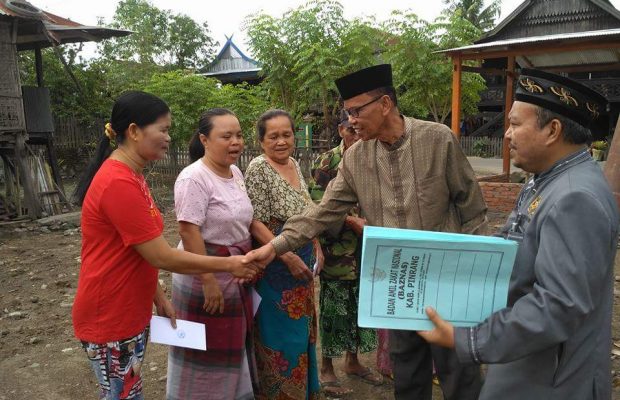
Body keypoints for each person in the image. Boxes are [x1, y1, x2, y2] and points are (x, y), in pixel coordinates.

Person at [245, 64, 486, 400]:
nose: (351, 120)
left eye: (357, 111)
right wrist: (273, 248)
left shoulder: (437, 139)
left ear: (385, 104)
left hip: (447, 278)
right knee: (408, 373)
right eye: (348, 112)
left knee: (459, 371)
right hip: (399, 283)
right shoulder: (356, 158)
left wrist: (481, 276)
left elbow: (472, 207)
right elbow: (322, 211)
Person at [418, 69, 619, 399]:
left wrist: (466, 339)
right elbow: (513, 242)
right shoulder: (546, 180)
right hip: (526, 361)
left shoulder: (575, 197)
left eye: (515, 123)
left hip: (552, 379)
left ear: (552, 130)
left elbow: (558, 305)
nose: (507, 134)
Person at [72, 92, 259, 400]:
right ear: (134, 131)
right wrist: (229, 265)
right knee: (122, 395)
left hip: (130, 308)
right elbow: (161, 255)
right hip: (110, 315)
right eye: (163, 129)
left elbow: (138, 249)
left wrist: (157, 296)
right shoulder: (118, 182)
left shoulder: (133, 175)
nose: (168, 138)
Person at [166, 109, 257, 400]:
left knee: (231, 344)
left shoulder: (236, 172)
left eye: (239, 135)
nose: (235, 142)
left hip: (234, 270)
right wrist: (207, 279)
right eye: (226, 136)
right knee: (205, 349)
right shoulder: (194, 177)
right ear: (205, 139)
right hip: (204, 271)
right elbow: (188, 231)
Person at [244, 109, 323, 400]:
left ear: (295, 136)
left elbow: (307, 214)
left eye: (286, 134)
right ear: (261, 141)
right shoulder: (258, 168)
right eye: (273, 136)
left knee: (302, 334)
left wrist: (317, 247)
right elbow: (255, 222)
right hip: (276, 270)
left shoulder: (294, 163)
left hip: (302, 269)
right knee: (279, 339)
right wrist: (287, 256)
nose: (281, 141)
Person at [307, 114, 381, 397]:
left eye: (359, 129)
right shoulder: (327, 162)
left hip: (368, 249)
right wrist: (351, 222)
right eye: (351, 130)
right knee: (334, 309)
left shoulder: (373, 156)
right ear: (340, 129)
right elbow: (317, 206)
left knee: (360, 307)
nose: (356, 135)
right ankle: (327, 369)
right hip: (337, 249)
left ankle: (353, 362)